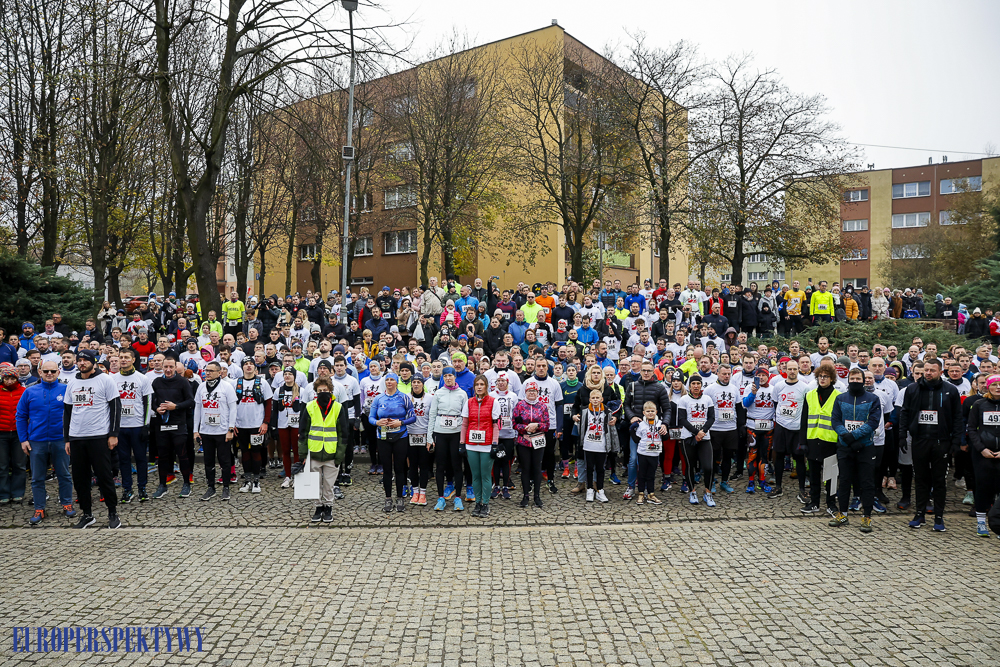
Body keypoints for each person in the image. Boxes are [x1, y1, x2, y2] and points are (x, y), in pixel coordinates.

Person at [900, 358, 963, 531]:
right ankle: (919, 514)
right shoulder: (912, 389)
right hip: (919, 440)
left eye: (932, 370)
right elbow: (904, 412)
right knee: (920, 479)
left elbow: (958, 417)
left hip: (941, 442)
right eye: (925, 370)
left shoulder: (950, 390)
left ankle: (939, 516)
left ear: (940, 372)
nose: (928, 373)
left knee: (939, 480)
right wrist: (902, 436)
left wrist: (956, 441)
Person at [62, 349, 122, 529]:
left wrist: (113, 434)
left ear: (93, 362)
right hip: (77, 437)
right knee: (80, 478)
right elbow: (67, 413)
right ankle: (87, 514)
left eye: (85, 360)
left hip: (99, 436)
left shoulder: (105, 379)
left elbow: (115, 408)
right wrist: (67, 439)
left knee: (104, 476)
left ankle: (112, 512)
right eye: (79, 360)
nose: (81, 363)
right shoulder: (72, 382)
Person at [828, 368, 882, 533]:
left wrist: (856, 436)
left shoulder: (873, 399)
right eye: (853, 378)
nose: (856, 381)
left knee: (866, 482)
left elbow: (873, 422)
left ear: (864, 380)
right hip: (845, 446)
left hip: (865, 446)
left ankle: (866, 517)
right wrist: (847, 437)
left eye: (859, 378)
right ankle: (842, 514)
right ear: (848, 380)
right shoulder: (840, 398)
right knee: (844, 481)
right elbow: (835, 420)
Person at [293, 377, 349, 523]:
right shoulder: (310, 406)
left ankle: (328, 507)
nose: (323, 393)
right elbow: (303, 432)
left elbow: (343, 433)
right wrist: (303, 455)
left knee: (329, 485)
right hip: (314, 452)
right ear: (315, 392)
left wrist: (340, 455)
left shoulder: (338, 407)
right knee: (315, 483)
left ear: (330, 391)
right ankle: (318, 507)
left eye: (325, 390)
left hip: (332, 452)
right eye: (320, 391)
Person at [368, 372, 416, 513]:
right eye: (387, 380)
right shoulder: (378, 398)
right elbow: (371, 417)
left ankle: (400, 497)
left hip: (400, 436)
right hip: (383, 437)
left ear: (396, 382)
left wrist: (400, 422)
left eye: (392, 380)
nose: (389, 382)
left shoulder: (404, 397)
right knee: (387, 469)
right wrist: (377, 422)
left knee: (400, 468)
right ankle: (388, 498)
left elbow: (413, 417)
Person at [150, 357, 196, 499]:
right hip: (162, 424)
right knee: (163, 456)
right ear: (162, 367)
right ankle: (162, 485)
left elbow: (191, 402)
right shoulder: (156, 382)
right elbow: (151, 402)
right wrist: (157, 409)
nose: (168, 370)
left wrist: (175, 406)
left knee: (182, 455)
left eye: (171, 367)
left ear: (175, 367)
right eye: (166, 367)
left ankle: (186, 484)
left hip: (179, 424)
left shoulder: (183, 382)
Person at [111, 348, 153, 504]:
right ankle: (127, 489)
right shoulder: (112, 379)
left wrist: (146, 425)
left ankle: (142, 488)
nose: (123, 360)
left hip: (137, 425)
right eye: (121, 357)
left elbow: (148, 402)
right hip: (120, 427)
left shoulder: (142, 378)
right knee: (123, 459)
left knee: (141, 458)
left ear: (133, 359)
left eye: (126, 357)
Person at [193, 361, 238, 501]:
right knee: (208, 461)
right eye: (207, 370)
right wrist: (196, 430)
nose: (208, 373)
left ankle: (226, 487)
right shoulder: (201, 387)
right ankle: (210, 487)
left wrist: (230, 428)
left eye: (211, 371)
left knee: (224, 460)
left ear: (220, 373)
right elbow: (198, 409)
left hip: (222, 430)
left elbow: (233, 408)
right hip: (206, 431)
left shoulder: (227, 387)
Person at [800, 364, 840, 516]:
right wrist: (802, 441)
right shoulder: (809, 395)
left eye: (826, 376)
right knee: (814, 475)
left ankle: (831, 504)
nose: (822, 379)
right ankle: (814, 502)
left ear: (832, 379)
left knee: (831, 476)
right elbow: (803, 420)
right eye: (820, 376)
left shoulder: (838, 396)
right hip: (812, 440)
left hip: (830, 441)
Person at [428, 366, 467, 511]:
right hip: (440, 432)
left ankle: (458, 497)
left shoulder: (462, 394)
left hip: (456, 432)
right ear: (443, 378)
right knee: (441, 466)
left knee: (457, 465)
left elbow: (465, 417)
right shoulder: (438, 393)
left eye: (450, 376)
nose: (448, 378)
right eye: (445, 376)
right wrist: (429, 437)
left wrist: (464, 439)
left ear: (455, 377)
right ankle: (440, 498)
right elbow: (432, 415)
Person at [966, 374, 1000, 537]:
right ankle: (981, 522)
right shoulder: (979, 404)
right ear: (988, 387)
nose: (998, 388)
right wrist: (981, 449)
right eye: (995, 385)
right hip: (982, 454)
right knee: (983, 488)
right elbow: (971, 429)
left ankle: (998, 524)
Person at [233, 357, 274, 494]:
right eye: (246, 364)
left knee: (256, 451)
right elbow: (231, 405)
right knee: (244, 451)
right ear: (242, 367)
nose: (249, 366)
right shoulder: (235, 383)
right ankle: (247, 479)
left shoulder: (262, 383)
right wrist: (232, 423)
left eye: (251, 364)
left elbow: (268, 404)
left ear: (255, 367)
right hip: (240, 424)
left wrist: (265, 423)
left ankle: (256, 480)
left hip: (257, 424)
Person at [461, 375, 497, 518]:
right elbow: (464, 424)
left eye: (482, 384)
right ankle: (478, 503)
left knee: (485, 475)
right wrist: (462, 443)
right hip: (471, 444)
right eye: (477, 384)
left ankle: (485, 503)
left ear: (486, 386)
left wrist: (494, 444)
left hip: (487, 444)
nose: (479, 387)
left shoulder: (493, 402)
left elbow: (496, 425)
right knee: (475, 476)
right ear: (474, 386)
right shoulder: (469, 402)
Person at [677, 378, 717, 506]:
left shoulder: (707, 399)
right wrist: (696, 432)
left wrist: (702, 431)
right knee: (690, 465)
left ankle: (708, 492)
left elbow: (711, 417)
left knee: (708, 467)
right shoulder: (684, 400)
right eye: (693, 384)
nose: (696, 386)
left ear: (701, 385)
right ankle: (692, 491)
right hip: (688, 437)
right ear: (689, 386)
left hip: (704, 437)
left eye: (698, 383)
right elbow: (682, 419)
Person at [513, 380, 550, 508]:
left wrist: (537, 425)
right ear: (525, 392)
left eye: (534, 391)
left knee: (537, 468)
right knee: (525, 468)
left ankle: (537, 496)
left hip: (538, 440)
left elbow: (547, 425)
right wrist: (526, 428)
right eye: (529, 391)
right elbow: (515, 424)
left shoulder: (543, 406)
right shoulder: (520, 406)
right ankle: (525, 496)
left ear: (537, 392)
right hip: (524, 440)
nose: (532, 393)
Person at [0, 363, 26, 504]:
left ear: (17, 379)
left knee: (19, 464)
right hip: (1, 432)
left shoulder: (23, 391)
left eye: (12, 378)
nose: (9, 381)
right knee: (2, 465)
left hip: (18, 433)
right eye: (6, 378)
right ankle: (3, 493)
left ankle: (17, 492)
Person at [407, 376, 433, 506]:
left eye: (418, 382)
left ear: (423, 384)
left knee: (424, 466)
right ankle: (415, 491)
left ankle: (423, 493)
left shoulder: (430, 398)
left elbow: (432, 418)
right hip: (409, 436)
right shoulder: (406, 397)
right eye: (414, 382)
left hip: (424, 435)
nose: (416, 385)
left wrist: (430, 438)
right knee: (412, 466)